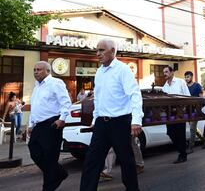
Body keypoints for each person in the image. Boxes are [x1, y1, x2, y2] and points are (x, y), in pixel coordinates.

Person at [80, 38, 143, 191]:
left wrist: (136, 120)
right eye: (97, 50)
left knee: (126, 161)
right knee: (91, 161)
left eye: (101, 50)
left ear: (113, 51)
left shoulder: (123, 69)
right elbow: (99, 98)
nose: (98, 54)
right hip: (102, 123)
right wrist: (96, 119)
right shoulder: (99, 72)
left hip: (120, 123)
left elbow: (134, 95)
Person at [28, 61, 71, 191]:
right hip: (38, 126)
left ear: (48, 71)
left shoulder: (56, 83)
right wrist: (30, 124)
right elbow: (35, 107)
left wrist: (62, 119)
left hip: (52, 124)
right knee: (34, 152)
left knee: (50, 157)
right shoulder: (37, 87)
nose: (36, 72)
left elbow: (65, 102)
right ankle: (60, 173)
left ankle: (48, 187)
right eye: (34, 70)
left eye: (39, 69)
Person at [162, 66, 191, 164]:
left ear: (172, 72)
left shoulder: (180, 82)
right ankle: (182, 149)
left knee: (180, 134)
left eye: (166, 72)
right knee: (170, 132)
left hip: (180, 111)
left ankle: (182, 154)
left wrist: (183, 109)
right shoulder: (165, 86)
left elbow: (187, 96)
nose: (164, 74)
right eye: (164, 72)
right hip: (169, 113)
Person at [184, 70, 205, 153]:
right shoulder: (185, 86)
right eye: (185, 77)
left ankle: (191, 147)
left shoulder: (197, 85)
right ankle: (204, 140)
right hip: (188, 110)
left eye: (188, 77)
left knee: (192, 129)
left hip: (195, 110)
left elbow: (201, 98)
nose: (186, 79)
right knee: (194, 129)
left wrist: (199, 109)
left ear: (191, 77)